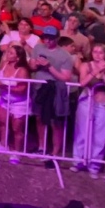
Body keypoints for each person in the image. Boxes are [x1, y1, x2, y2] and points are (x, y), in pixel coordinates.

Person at [72, 42, 105, 179]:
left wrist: (104, 75)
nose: (97, 55)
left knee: (100, 136)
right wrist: (95, 71)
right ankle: (78, 161)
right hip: (87, 102)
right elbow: (82, 83)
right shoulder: (86, 65)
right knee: (82, 133)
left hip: (104, 105)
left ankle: (95, 165)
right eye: (95, 52)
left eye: (101, 52)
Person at [30, 26, 73, 161]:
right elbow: (31, 66)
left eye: (51, 38)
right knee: (39, 118)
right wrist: (37, 64)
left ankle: (54, 152)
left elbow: (65, 77)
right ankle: (41, 147)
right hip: (39, 88)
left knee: (55, 123)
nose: (47, 40)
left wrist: (49, 67)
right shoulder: (38, 48)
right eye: (45, 37)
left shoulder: (65, 55)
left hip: (55, 91)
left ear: (57, 38)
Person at [0, 43, 32, 164]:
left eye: (10, 53)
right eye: (7, 52)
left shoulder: (22, 71)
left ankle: (16, 152)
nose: (7, 54)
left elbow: (22, 89)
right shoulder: (4, 65)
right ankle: (3, 144)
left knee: (17, 129)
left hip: (19, 102)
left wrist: (5, 86)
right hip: (4, 100)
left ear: (18, 57)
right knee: (2, 123)